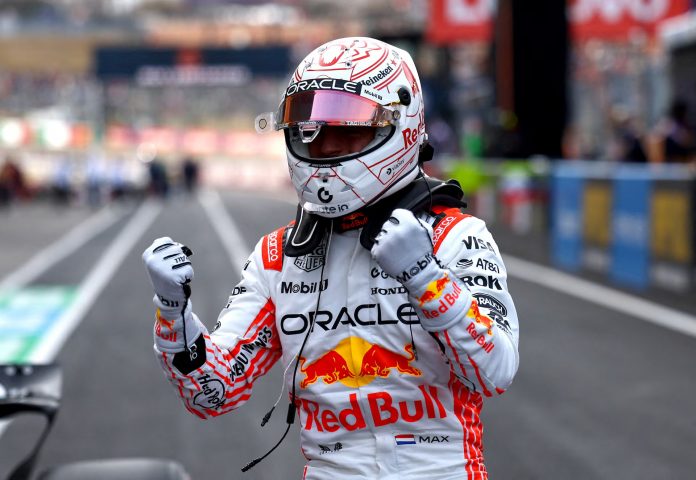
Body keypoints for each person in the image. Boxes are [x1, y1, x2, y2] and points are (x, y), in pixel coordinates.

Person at [142, 37, 519, 480]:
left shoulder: (455, 237)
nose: (325, 149)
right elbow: (214, 393)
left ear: (402, 126)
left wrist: (424, 277)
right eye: (313, 134)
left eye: (347, 131)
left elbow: (494, 372)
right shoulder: (276, 256)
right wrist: (173, 314)